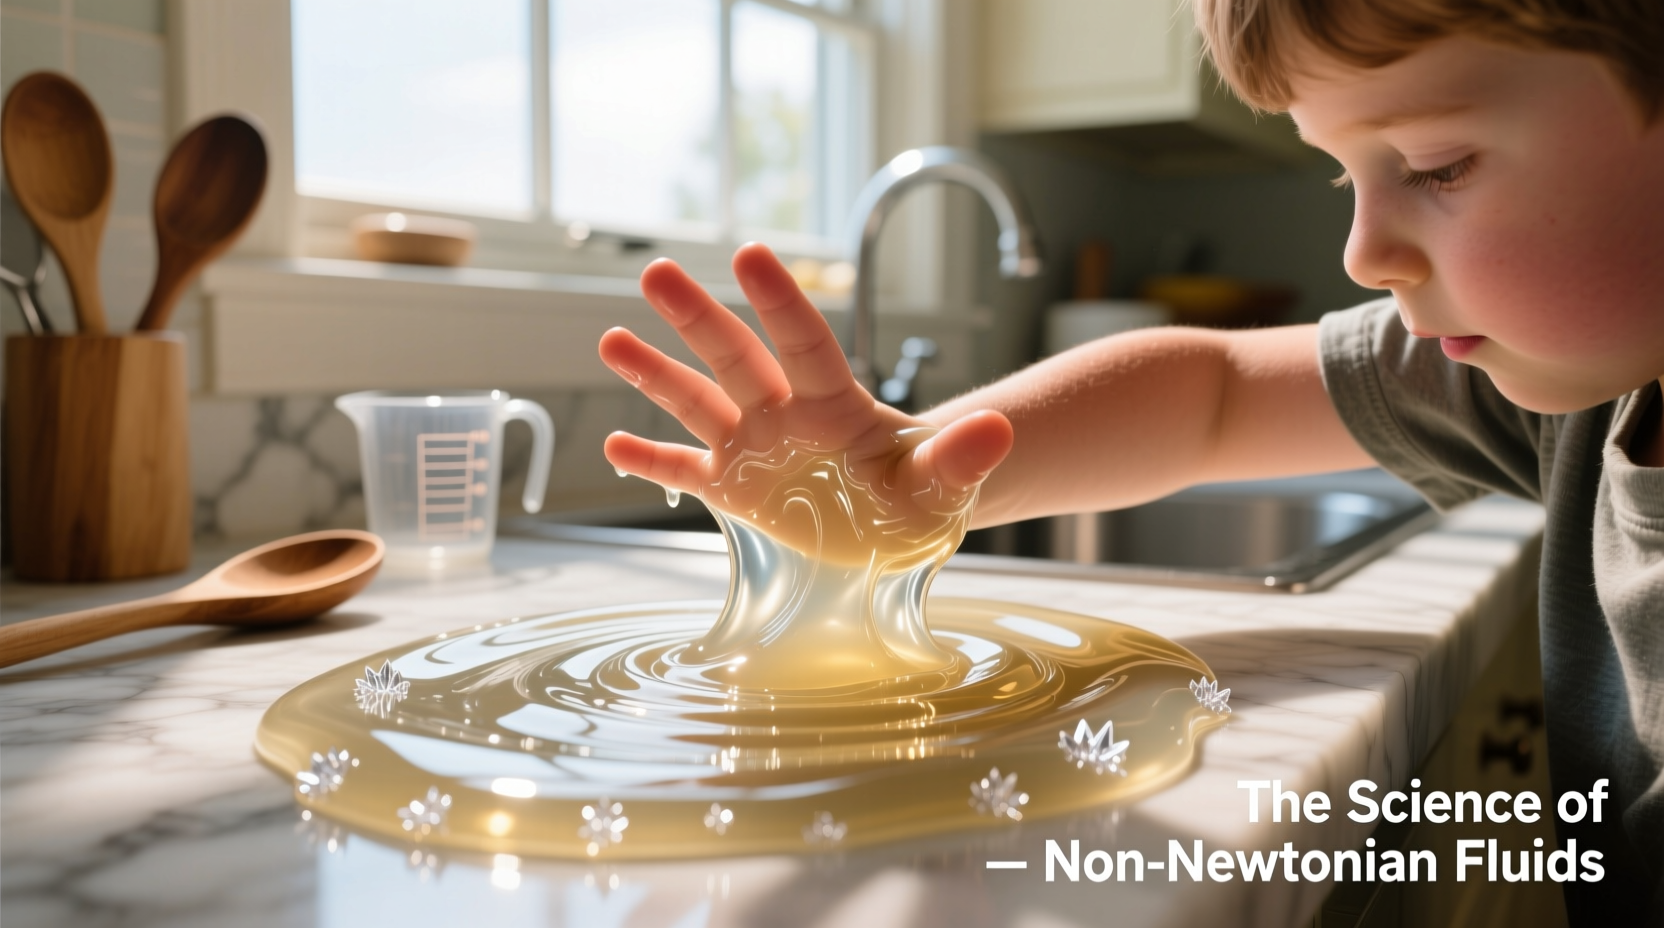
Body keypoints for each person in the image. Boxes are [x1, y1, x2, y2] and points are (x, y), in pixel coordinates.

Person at [596, 0, 1663, 921]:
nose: (1360, 253)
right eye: (1344, 179)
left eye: (1438, 166)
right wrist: (904, 472)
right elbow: (1213, 393)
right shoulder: (1562, 388)